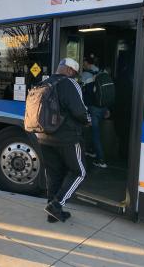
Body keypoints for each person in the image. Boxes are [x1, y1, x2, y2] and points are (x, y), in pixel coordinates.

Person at [37, 58, 91, 223]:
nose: (74, 76)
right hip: (66, 138)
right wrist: (87, 120)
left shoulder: (44, 82)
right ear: (69, 70)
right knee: (79, 172)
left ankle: (52, 214)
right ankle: (57, 204)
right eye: (74, 73)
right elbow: (79, 111)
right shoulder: (70, 83)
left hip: (43, 137)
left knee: (54, 174)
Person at [81, 55, 110, 168]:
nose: (83, 64)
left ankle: (101, 160)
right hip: (102, 107)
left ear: (87, 63)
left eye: (84, 62)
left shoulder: (86, 75)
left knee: (95, 134)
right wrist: (107, 108)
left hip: (93, 109)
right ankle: (92, 151)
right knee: (96, 132)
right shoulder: (101, 72)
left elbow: (84, 92)